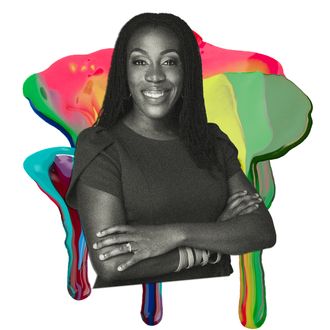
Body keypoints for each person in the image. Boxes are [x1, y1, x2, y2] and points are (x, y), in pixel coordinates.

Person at [65, 12, 276, 288]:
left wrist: (175, 234)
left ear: (186, 70)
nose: (154, 76)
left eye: (169, 62)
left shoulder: (212, 141)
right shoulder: (101, 145)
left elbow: (261, 230)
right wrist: (213, 244)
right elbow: (111, 264)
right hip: (129, 310)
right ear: (124, 72)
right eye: (140, 62)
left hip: (216, 304)